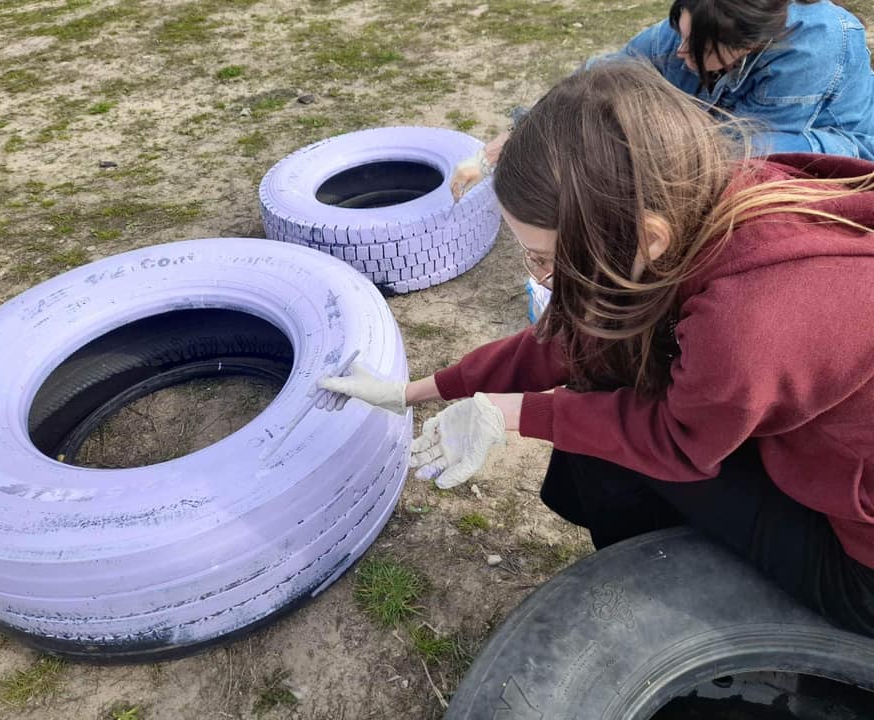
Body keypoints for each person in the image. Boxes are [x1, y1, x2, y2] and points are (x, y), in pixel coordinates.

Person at [320, 61, 874, 637]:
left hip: (859, 562)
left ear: (647, 237)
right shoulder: (703, 196)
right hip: (817, 457)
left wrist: (517, 413)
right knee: (600, 393)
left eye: (544, 258)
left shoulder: (751, 321)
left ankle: (659, 611)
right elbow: (578, 340)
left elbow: (678, 443)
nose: (538, 274)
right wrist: (411, 391)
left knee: (601, 436)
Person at [451, 0, 874, 200]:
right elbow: (601, 75)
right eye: (681, 35)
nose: (679, 52)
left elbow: (746, 148)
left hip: (823, 144)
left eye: (695, 47)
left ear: (745, 45)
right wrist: (520, 131)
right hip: (726, 125)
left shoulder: (815, 47)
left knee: (702, 163)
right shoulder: (695, 25)